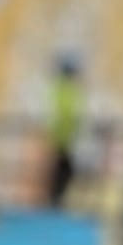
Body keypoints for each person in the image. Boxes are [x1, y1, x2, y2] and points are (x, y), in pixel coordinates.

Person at [45, 50, 85, 207]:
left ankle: (56, 199)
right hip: (62, 137)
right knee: (62, 170)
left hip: (66, 137)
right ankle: (55, 200)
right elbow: (64, 112)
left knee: (64, 170)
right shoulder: (64, 88)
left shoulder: (66, 88)